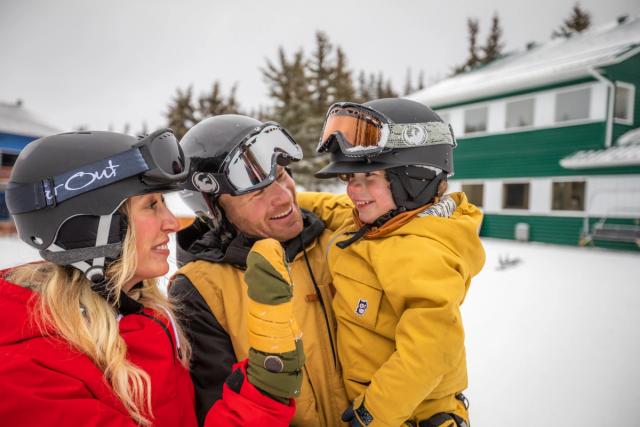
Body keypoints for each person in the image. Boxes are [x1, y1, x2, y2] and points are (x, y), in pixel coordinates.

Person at [0, 129, 302, 426]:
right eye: (152, 205)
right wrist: (264, 392)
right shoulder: (28, 371)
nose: (172, 223)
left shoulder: (145, 317)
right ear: (93, 228)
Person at [253, 98, 486, 426]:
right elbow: (330, 207)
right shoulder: (375, 219)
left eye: (368, 177)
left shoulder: (423, 251)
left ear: (414, 178)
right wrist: (284, 203)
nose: (354, 192)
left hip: (409, 416)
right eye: (349, 180)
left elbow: (429, 353)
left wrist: (371, 415)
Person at [169, 115, 348, 426]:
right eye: (256, 194)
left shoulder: (340, 243)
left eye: (280, 177)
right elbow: (222, 411)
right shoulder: (200, 290)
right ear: (216, 213)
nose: (283, 197)